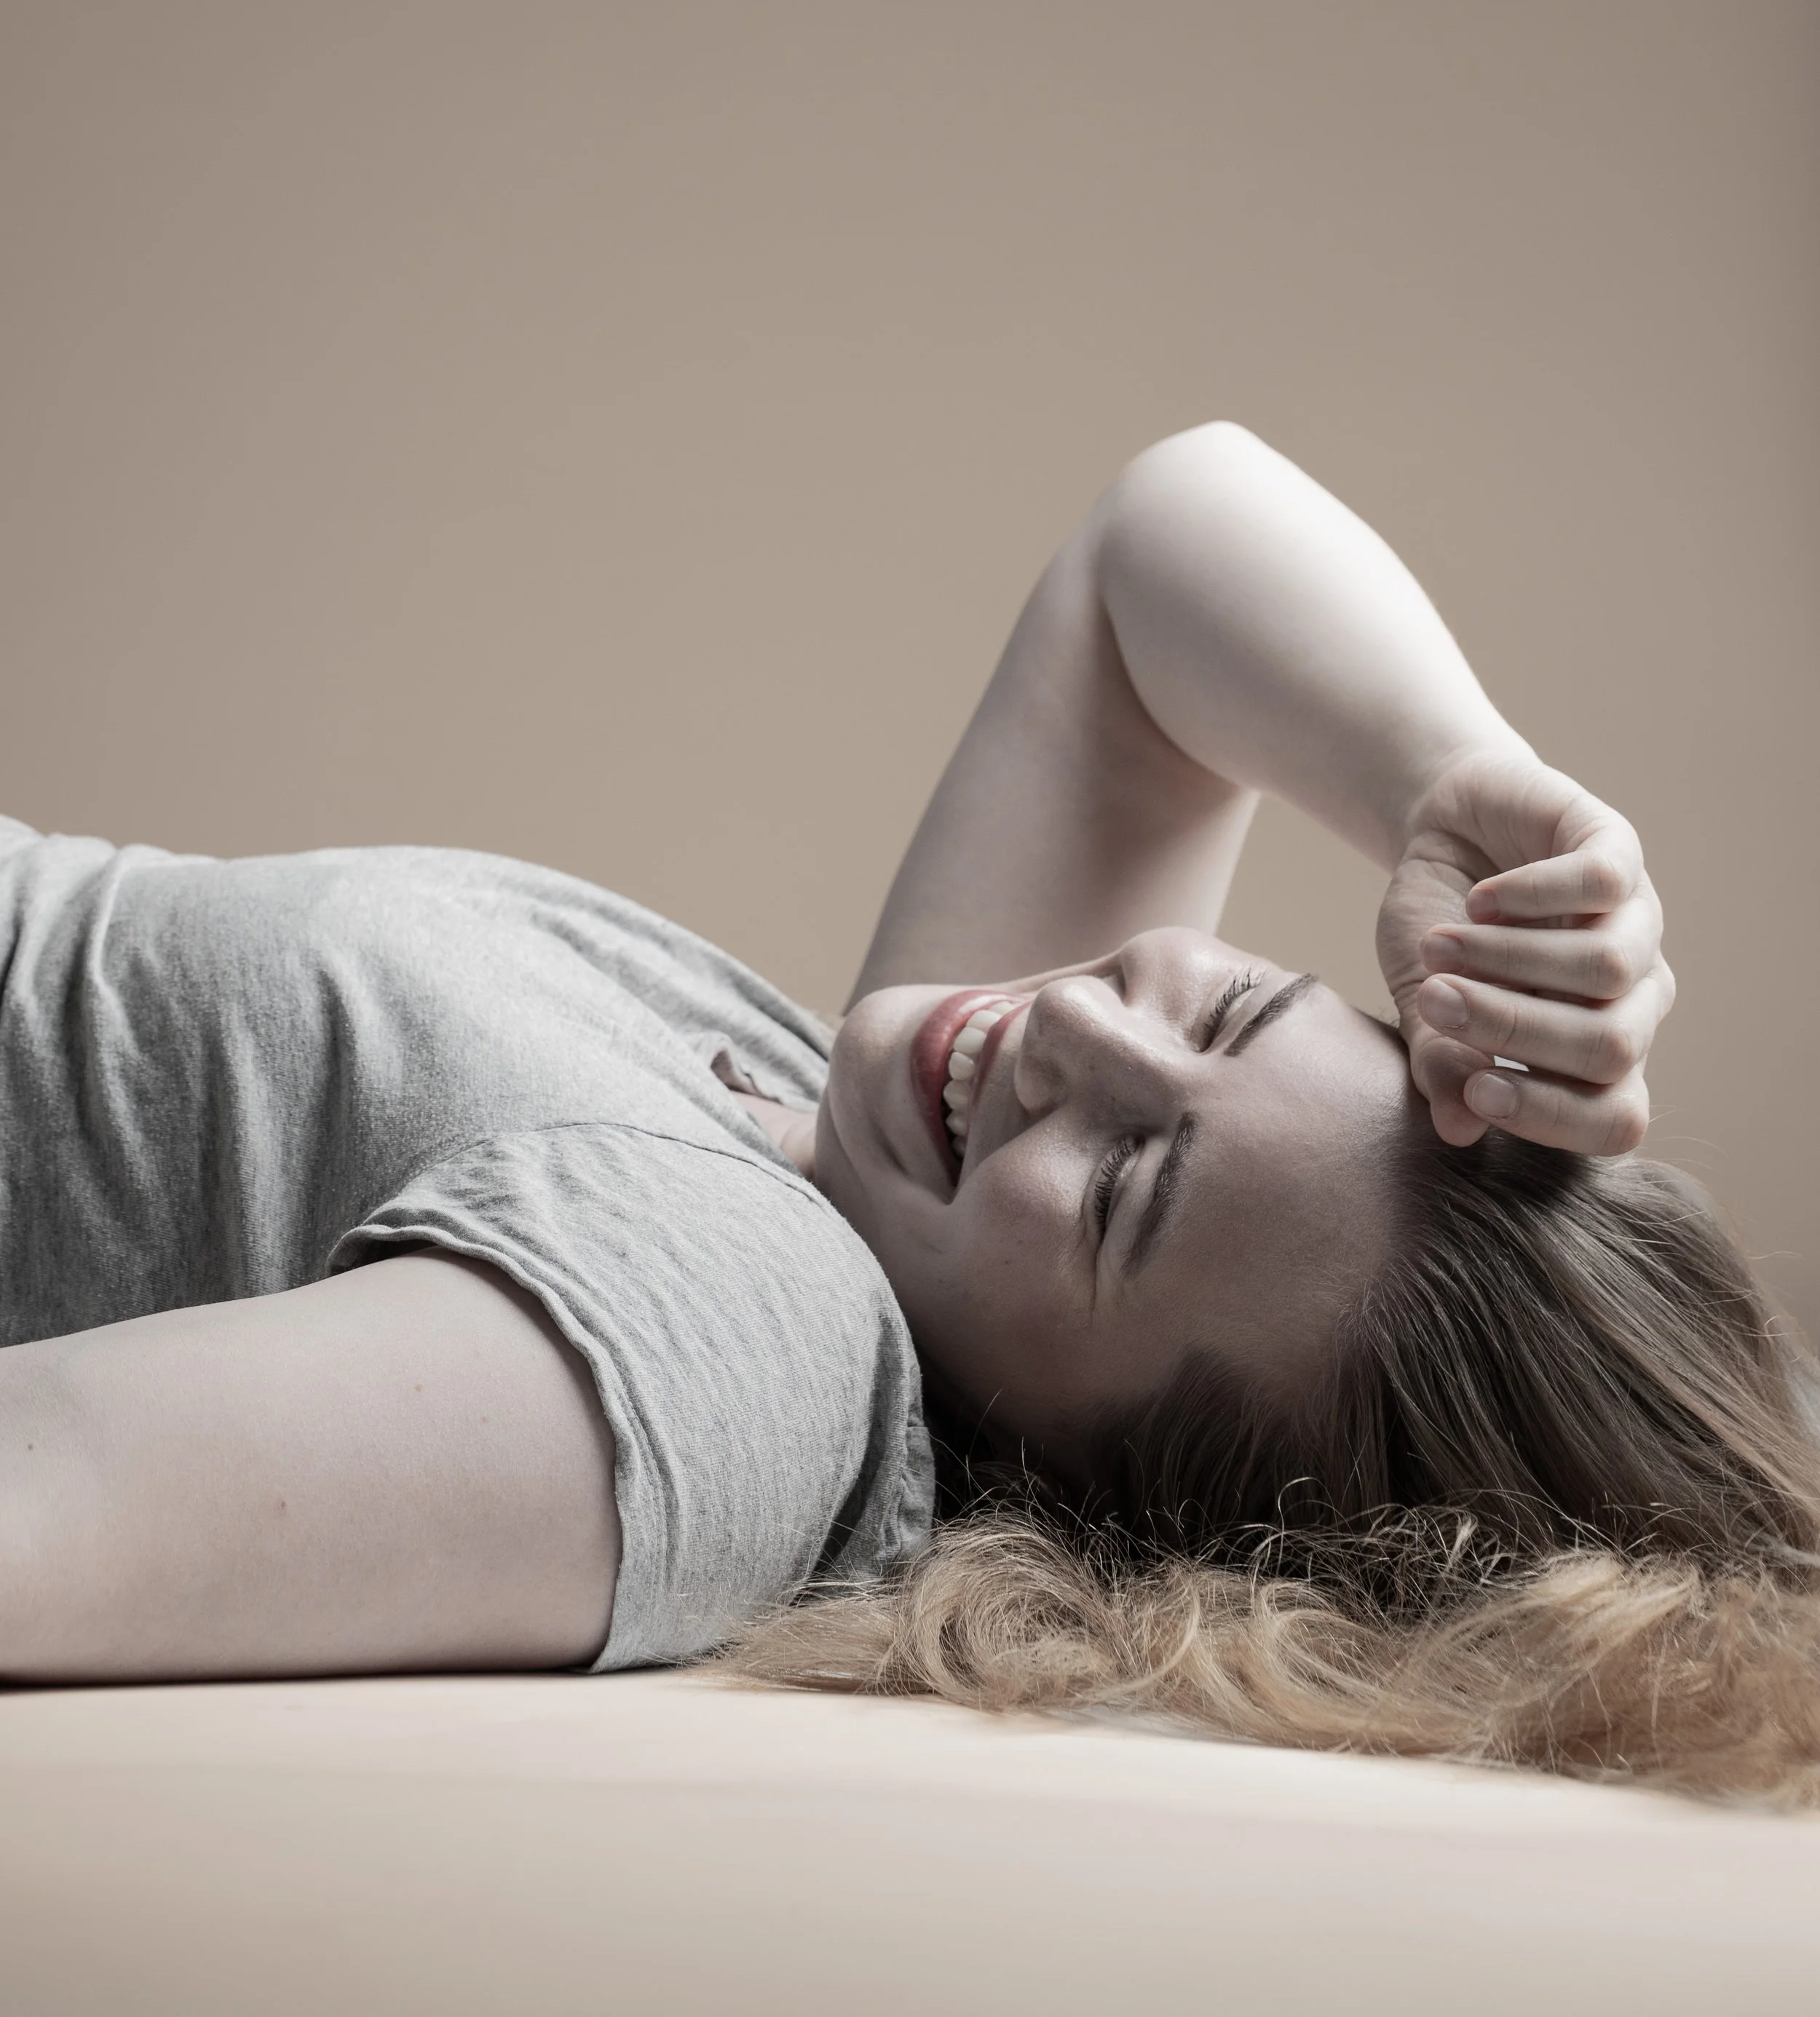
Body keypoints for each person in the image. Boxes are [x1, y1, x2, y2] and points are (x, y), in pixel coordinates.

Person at [2, 424, 1815, 1798]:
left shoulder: (745, 1329)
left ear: (1079, 1488)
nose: (1084, 1037)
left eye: (1121, 1193)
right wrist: (1460, 789)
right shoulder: (869, 1158)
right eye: (1233, 1005)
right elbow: (1162, 539)